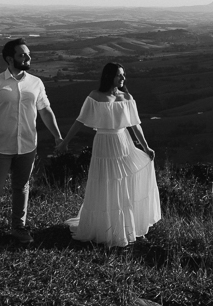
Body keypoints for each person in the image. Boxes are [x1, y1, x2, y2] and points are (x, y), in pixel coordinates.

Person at [0, 38, 63, 248]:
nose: (28, 58)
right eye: (22, 55)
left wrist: (57, 135)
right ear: (10, 59)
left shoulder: (36, 83)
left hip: (27, 146)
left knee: (22, 187)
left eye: (28, 54)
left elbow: (45, 110)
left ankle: (18, 227)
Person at [55, 62, 161, 247]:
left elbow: (135, 125)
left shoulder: (126, 97)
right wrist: (65, 142)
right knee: (105, 182)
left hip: (123, 143)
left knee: (125, 183)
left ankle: (129, 227)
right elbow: (80, 121)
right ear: (109, 76)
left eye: (123, 75)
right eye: (119, 75)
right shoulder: (95, 97)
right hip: (104, 143)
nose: (123, 79)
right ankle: (106, 228)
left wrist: (146, 147)